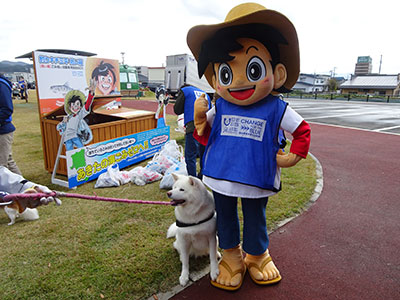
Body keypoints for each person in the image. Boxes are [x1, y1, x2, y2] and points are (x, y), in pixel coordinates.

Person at [188, 3, 311, 290]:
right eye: (227, 74)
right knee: (226, 217)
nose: (238, 81)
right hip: (220, 176)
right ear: (215, 78)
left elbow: (302, 130)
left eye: (253, 69)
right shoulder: (220, 105)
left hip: (257, 177)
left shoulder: (275, 107)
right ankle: (231, 256)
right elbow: (204, 136)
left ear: (277, 73)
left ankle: (257, 255)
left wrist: (295, 155)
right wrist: (198, 120)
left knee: (256, 216)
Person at [173, 84, 211, 178]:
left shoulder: (185, 90)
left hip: (193, 124)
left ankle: (193, 179)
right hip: (207, 125)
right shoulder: (205, 93)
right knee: (204, 153)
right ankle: (202, 176)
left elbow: (177, 110)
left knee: (190, 155)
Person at [57, 80, 96, 151]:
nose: (75, 107)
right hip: (67, 138)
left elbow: (87, 105)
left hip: (75, 136)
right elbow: (59, 127)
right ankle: (71, 162)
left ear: (80, 106)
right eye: (73, 104)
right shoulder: (68, 117)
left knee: (81, 150)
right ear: (69, 106)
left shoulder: (79, 115)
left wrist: (91, 93)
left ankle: (81, 161)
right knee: (69, 153)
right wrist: (64, 122)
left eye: (77, 104)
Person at [0, 73, 22, 175]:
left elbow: (7, 109)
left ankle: (23, 188)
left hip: (3, 130)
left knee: (2, 165)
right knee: (8, 161)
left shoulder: (2, 84)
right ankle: (25, 188)